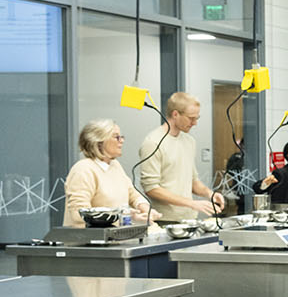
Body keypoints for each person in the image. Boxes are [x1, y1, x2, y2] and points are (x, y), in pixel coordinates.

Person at [137, 92, 225, 222]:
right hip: (165, 220)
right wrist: (191, 203)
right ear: (175, 114)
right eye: (191, 118)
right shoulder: (153, 142)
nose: (194, 123)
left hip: (190, 219)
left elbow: (193, 181)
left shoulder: (189, 141)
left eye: (197, 118)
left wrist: (209, 194)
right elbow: (151, 189)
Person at [63, 119, 159, 227]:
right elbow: (78, 214)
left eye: (121, 137)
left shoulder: (115, 165)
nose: (121, 140)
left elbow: (132, 194)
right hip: (88, 240)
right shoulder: (83, 169)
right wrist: (124, 216)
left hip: (114, 238)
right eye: (116, 137)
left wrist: (145, 209)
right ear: (99, 142)